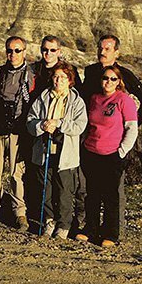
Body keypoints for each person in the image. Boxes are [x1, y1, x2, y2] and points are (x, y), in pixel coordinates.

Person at [0, 36, 35, 228]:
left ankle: (20, 212)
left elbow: (32, 104)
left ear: (24, 52)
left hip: (18, 131)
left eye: (17, 50)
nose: (13, 54)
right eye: (9, 50)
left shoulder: (30, 75)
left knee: (16, 173)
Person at [78, 65, 139, 247]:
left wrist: (121, 151)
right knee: (92, 194)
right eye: (105, 78)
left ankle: (110, 234)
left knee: (110, 196)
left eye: (113, 79)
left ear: (119, 81)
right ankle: (91, 229)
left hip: (112, 155)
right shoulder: (95, 99)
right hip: (91, 152)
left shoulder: (124, 100)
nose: (108, 82)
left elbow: (131, 129)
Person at [27, 63, 88, 239]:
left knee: (64, 191)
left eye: (63, 77)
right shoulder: (43, 97)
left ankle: (63, 225)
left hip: (66, 151)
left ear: (70, 80)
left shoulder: (76, 101)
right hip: (44, 149)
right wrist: (41, 125)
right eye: (55, 76)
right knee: (45, 188)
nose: (58, 80)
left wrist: (59, 124)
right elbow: (30, 120)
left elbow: (80, 125)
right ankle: (49, 220)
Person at [79, 35, 142, 122]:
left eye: (107, 49)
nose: (102, 52)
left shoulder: (124, 74)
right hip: (90, 124)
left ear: (116, 53)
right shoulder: (90, 71)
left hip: (113, 126)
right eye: (100, 48)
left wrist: (133, 122)